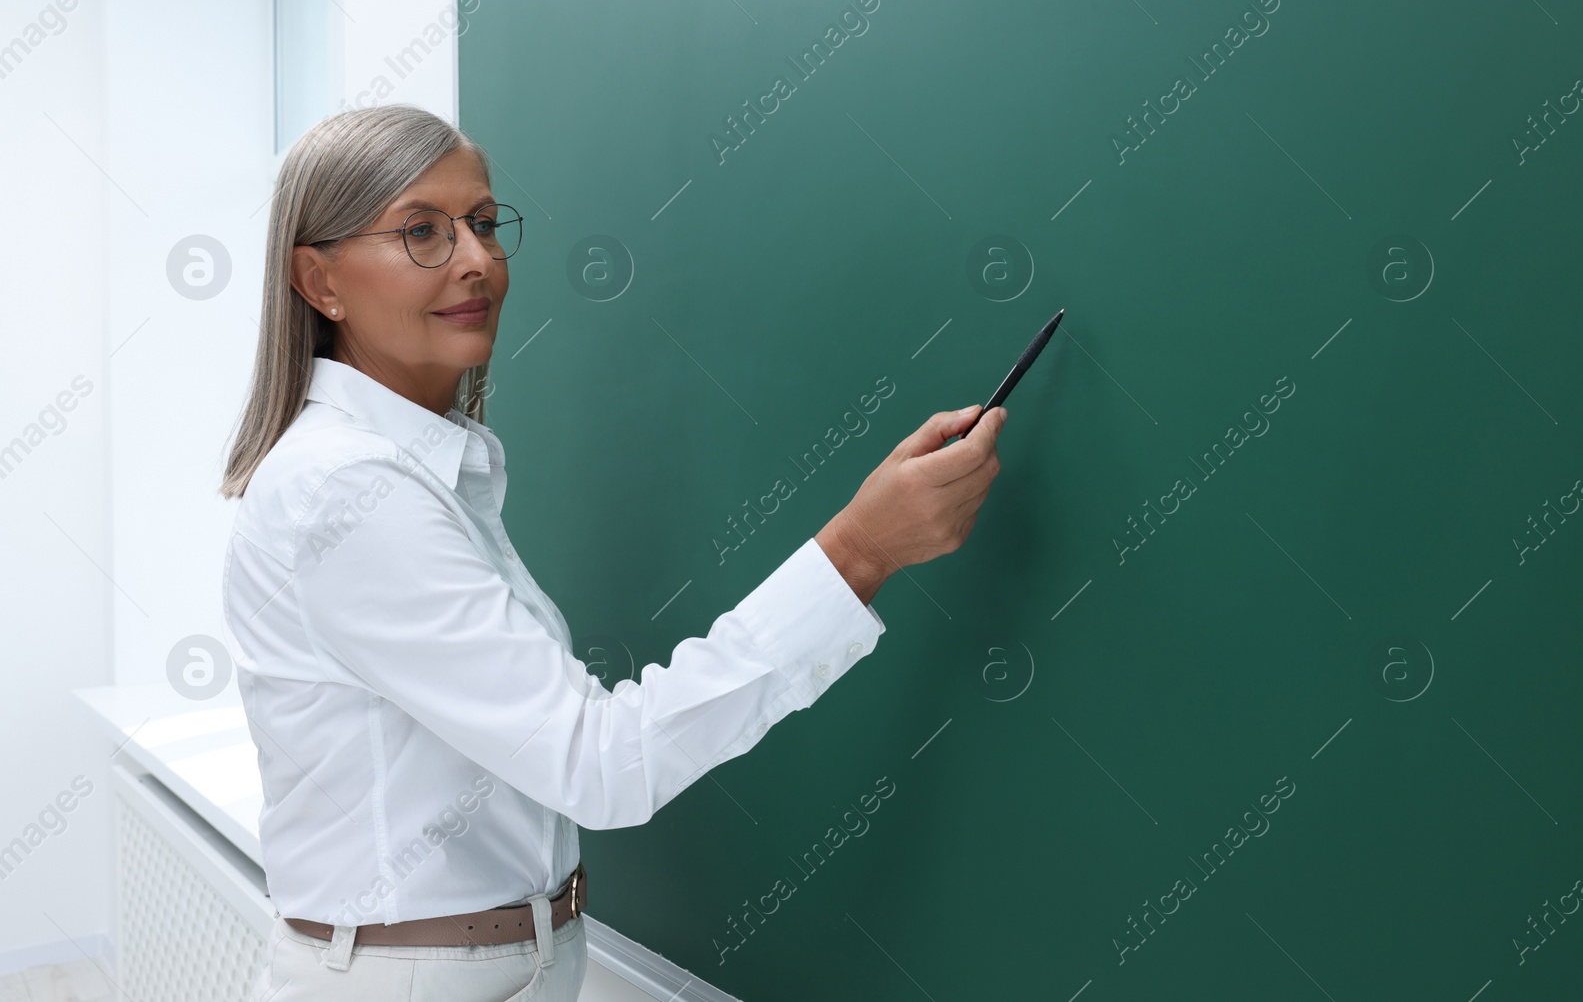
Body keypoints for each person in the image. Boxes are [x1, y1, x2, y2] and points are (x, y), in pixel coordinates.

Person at [221, 104, 1006, 1002]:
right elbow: (599, 762)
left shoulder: (414, 468)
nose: (476, 259)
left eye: (482, 222)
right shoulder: (348, 493)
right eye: (422, 232)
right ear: (319, 280)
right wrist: (858, 551)